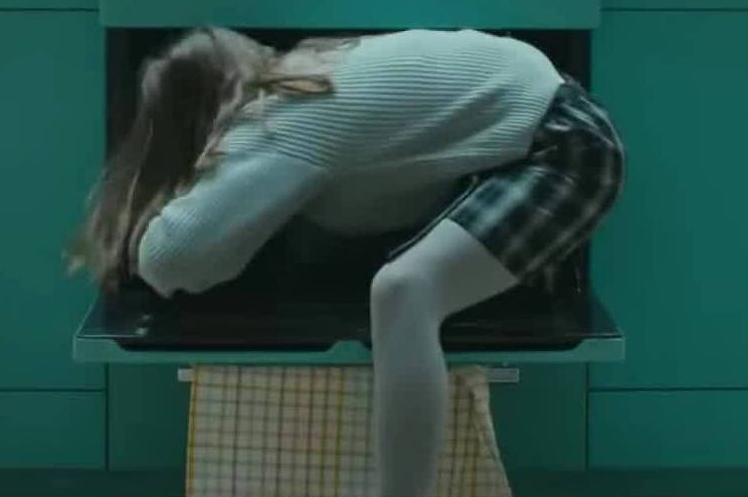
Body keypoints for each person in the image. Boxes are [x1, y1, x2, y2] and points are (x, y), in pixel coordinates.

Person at [74, 27, 624, 497]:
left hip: (566, 148)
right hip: (536, 113)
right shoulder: (312, 68)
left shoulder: (279, 120)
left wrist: (154, 210)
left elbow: (174, 261)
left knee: (404, 291)